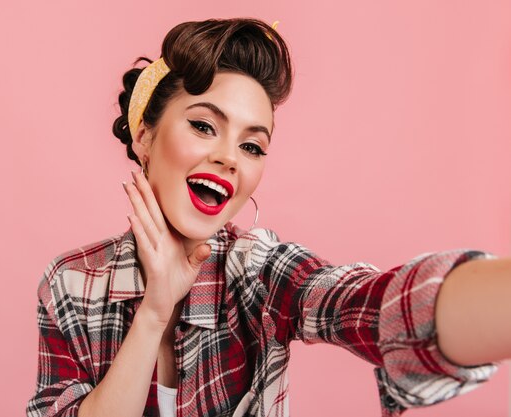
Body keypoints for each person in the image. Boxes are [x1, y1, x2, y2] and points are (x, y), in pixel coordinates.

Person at [26, 18, 509, 417]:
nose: (229, 158)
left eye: (252, 145)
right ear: (145, 136)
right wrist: (154, 313)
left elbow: (373, 305)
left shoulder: (257, 269)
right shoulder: (72, 283)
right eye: (203, 125)